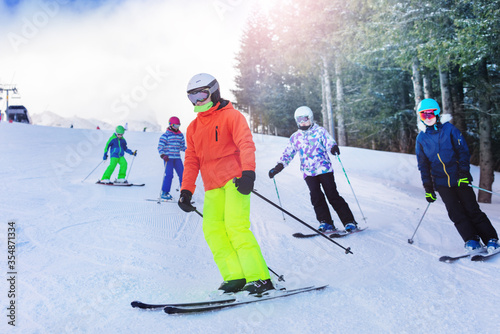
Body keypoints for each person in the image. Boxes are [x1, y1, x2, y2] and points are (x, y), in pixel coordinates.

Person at [178, 73, 274, 295]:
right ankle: (236, 276)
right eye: (192, 98)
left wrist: (248, 173)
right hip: (212, 186)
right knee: (212, 230)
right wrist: (186, 190)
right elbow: (191, 160)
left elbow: (246, 144)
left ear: (214, 92)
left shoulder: (232, 117)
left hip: (235, 181)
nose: (197, 102)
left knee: (235, 227)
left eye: (201, 95)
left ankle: (259, 278)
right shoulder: (192, 128)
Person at [415, 98, 499, 254]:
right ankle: (471, 240)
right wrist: (428, 187)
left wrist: (463, 173)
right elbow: (423, 166)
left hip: (460, 178)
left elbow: (463, 152)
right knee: (455, 213)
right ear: (420, 116)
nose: (428, 117)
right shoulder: (421, 138)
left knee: (472, 209)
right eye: (424, 114)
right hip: (442, 183)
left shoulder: (449, 129)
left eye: (430, 113)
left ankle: (490, 239)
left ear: (437, 113)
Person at [269, 106, 358, 233]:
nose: (302, 122)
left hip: (324, 169)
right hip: (308, 172)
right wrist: (278, 167)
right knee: (316, 197)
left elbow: (329, 141)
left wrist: (333, 147)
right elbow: (288, 154)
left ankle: (349, 221)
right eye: (299, 120)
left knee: (332, 195)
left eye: (305, 119)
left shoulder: (320, 131)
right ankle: (326, 222)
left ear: (310, 118)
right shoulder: (295, 137)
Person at [157, 116, 186, 200]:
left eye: (178, 125)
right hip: (168, 158)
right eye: (175, 125)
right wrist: (163, 155)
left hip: (177, 158)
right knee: (169, 175)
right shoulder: (165, 135)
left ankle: (184, 193)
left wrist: (189, 150)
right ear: (170, 125)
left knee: (183, 175)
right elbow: (160, 147)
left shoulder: (180, 135)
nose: (177, 128)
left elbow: (181, 146)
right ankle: (165, 193)